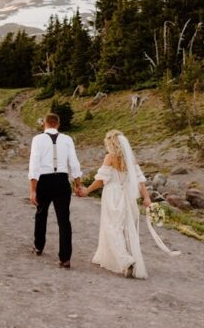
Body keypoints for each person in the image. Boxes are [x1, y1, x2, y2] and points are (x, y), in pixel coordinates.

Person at [79, 130, 152, 279]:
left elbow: (101, 180)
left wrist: (87, 190)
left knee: (111, 227)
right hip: (127, 196)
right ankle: (109, 256)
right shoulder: (131, 160)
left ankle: (126, 261)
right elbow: (140, 182)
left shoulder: (110, 157)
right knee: (124, 228)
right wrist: (146, 198)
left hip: (112, 195)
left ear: (111, 144)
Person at [28, 113, 83, 269]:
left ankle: (38, 246)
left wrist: (32, 190)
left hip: (44, 181)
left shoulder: (37, 139)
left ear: (44, 124)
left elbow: (34, 164)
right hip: (62, 181)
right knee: (64, 220)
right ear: (58, 124)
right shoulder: (67, 139)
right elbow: (74, 163)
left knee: (41, 213)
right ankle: (65, 258)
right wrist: (78, 184)